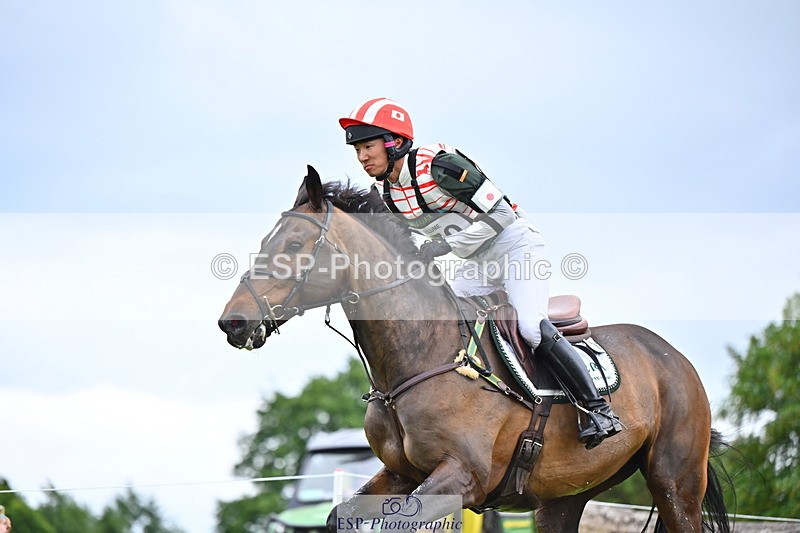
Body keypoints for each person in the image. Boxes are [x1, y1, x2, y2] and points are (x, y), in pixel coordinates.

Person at [339, 97, 622, 448]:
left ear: (394, 143)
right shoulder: (389, 192)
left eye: (368, 146)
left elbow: (502, 214)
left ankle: (597, 408)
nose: (362, 157)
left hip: (515, 248)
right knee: (444, 318)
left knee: (531, 327)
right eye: (358, 151)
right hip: (477, 264)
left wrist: (446, 246)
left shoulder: (438, 165)